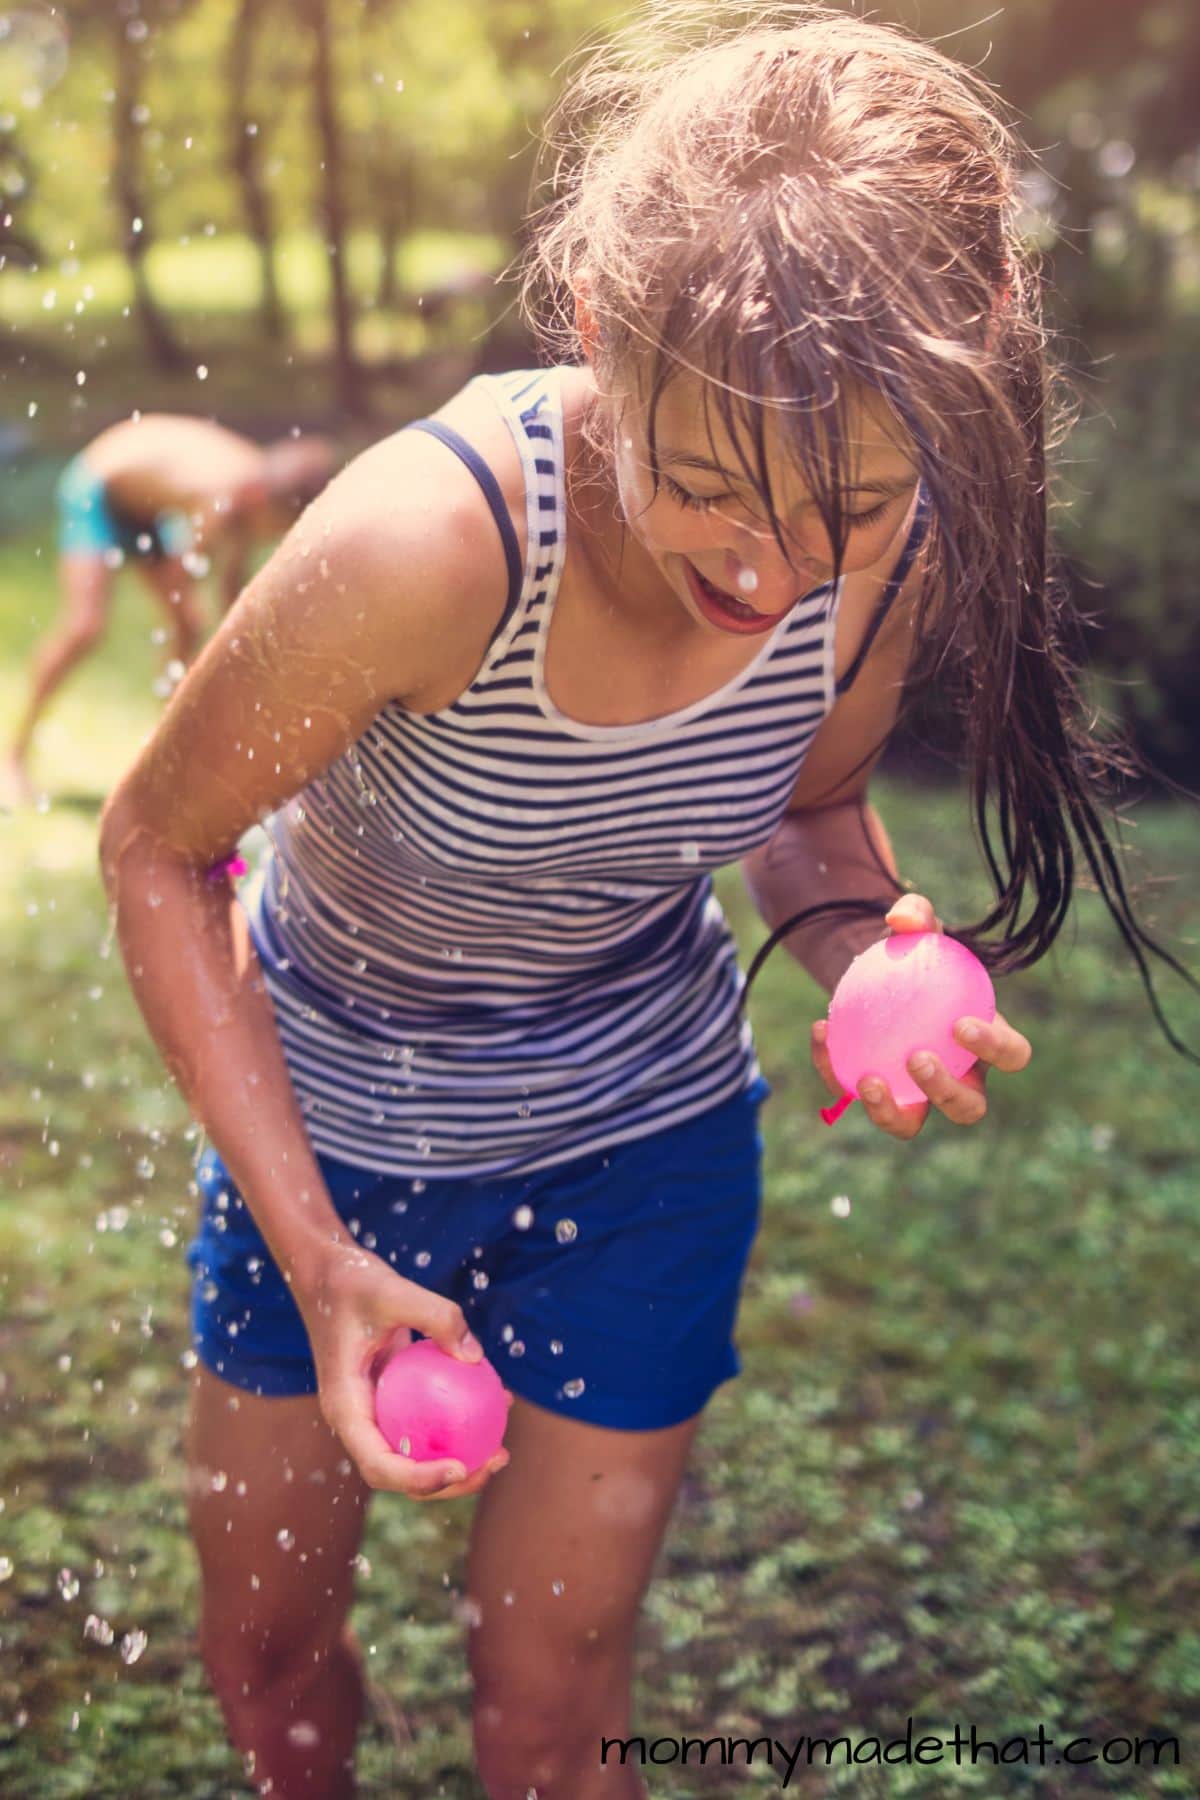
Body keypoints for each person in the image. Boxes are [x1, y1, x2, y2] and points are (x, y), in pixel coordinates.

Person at [98, 8, 1194, 1798]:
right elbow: (156, 847)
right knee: (271, 1659)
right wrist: (318, 1256)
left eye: (834, 509)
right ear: (603, 337)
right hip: (331, 1139)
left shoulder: (891, 545)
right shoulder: (426, 548)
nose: (761, 581)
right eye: (702, 493)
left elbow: (816, 812)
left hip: (638, 1146)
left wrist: (863, 946)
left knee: (554, 1714)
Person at [5, 415, 336, 802]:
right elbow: (185, 573)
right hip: (98, 489)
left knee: (189, 627)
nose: (272, 539)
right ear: (258, 500)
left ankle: (168, 758)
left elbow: (233, 589)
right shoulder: (223, 493)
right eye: (274, 530)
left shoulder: (255, 488)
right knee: (85, 627)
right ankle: (13, 754)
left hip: (147, 507)